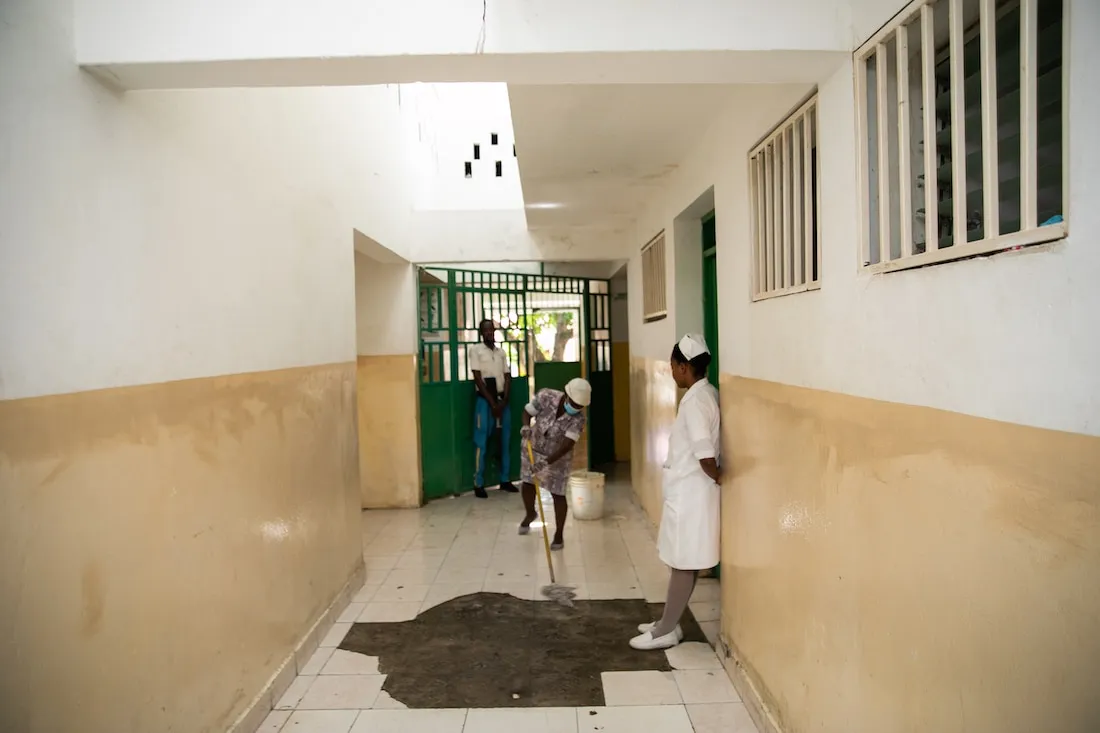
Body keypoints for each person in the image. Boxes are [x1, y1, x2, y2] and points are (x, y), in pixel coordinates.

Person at [631, 334, 721, 651]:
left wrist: (718, 476)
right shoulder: (704, 393)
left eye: (672, 366)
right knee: (684, 559)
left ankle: (667, 630)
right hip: (687, 492)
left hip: (692, 494)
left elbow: (705, 454)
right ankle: (668, 621)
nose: (671, 371)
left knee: (684, 562)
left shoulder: (696, 402)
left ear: (683, 367)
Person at [518, 377, 591, 550]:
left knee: (558, 494)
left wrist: (545, 463)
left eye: (580, 406)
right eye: (573, 403)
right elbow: (527, 412)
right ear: (566, 395)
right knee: (527, 483)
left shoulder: (579, 420)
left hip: (558, 458)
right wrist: (526, 426)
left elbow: (567, 445)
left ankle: (558, 535)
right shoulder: (546, 396)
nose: (576, 408)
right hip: (533, 447)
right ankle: (530, 513)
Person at [469, 319, 518, 499]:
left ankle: (504, 480)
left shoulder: (501, 352)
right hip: (485, 401)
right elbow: (478, 379)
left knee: (505, 440)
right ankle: (478, 483)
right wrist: (492, 404)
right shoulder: (476, 351)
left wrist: (504, 401)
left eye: (491, 330)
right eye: (486, 330)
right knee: (481, 442)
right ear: (481, 333)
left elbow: (507, 376)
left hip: (501, 402)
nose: (489, 333)